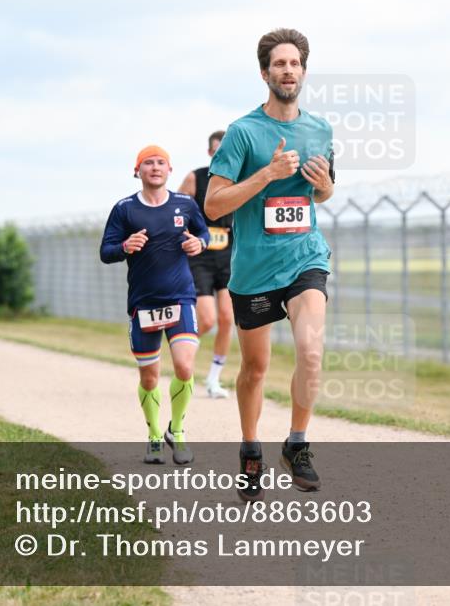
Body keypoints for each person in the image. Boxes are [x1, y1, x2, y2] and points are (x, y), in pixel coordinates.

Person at [205, 28, 335, 501]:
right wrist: (267, 174)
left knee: (312, 350)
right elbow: (214, 206)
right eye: (279, 64)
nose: (288, 71)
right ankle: (250, 447)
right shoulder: (242, 133)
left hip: (305, 256)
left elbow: (323, 192)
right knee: (256, 368)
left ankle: (297, 444)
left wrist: (324, 186)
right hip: (254, 268)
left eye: (295, 63)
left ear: (303, 70)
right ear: (265, 73)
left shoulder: (321, 129)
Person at [101, 144, 210, 465]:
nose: (155, 167)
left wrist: (198, 243)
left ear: (170, 170)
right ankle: (153, 436)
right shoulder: (124, 209)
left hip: (181, 297)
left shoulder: (185, 204)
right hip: (143, 303)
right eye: (148, 163)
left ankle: (176, 430)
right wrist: (124, 245)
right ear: (138, 171)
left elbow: (203, 233)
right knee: (149, 378)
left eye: (161, 162)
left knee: (185, 366)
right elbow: (106, 251)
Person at [178, 130, 234, 399]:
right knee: (208, 319)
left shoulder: (240, 179)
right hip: (199, 256)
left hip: (228, 254)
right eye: (216, 151)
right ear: (210, 153)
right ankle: (183, 355)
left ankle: (213, 379)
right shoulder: (195, 178)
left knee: (227, 318)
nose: (221, 155)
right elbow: (174, 211)